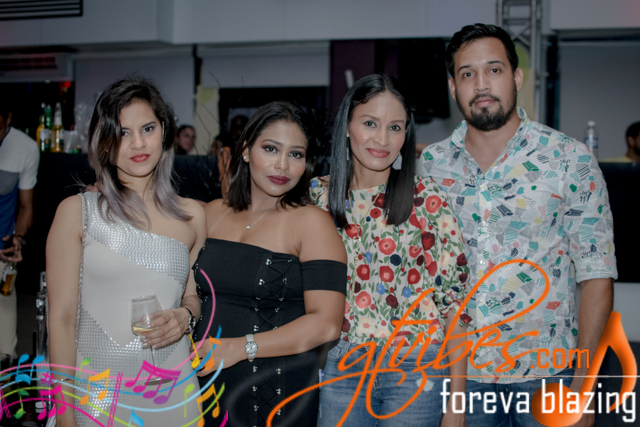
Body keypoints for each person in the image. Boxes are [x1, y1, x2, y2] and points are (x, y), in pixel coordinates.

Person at [421, 24, 617, 427]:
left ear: (517, 77)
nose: (481, 84)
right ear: (453, 87)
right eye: (467, 73)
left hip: (549, 374)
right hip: (461, 380)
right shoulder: (430, 167)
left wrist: (583, 386)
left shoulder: (569, 159)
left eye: (494, 70)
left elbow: (596, 274)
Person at [310, 73, 471, 427]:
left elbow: (455, 309)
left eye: (395, 127)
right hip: (340, 364)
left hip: (416, 367)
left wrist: (456, 407)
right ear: (347, 125)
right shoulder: (316, 197)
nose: (382, 139)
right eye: (370, 123)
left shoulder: (427, 199)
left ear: (406, 134)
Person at [47, 77, 205, 426]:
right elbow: (61, 320)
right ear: (104, 141)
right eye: (122, 133)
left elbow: (193, 296)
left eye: (147, 128)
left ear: (164, 131)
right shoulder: (78, 212)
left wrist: (185, 317)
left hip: (174, 392)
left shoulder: (193, 215)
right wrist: (64, 414)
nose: (138, 143)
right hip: (97, 394)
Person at [191, 101, 347, 426]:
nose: (283, 165)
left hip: (276, 393)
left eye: (296, 154)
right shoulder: (210, 213)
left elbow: (326, 324)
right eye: (271, 148)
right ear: (246, 150)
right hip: (204, 386)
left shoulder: (312, 223)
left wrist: (240, 348)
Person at [0, 101, 39, 358]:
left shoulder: (25, 148)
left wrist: (18, 238)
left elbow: (26, 207)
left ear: (8, 119)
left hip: (2, 252)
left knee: (5, 347)